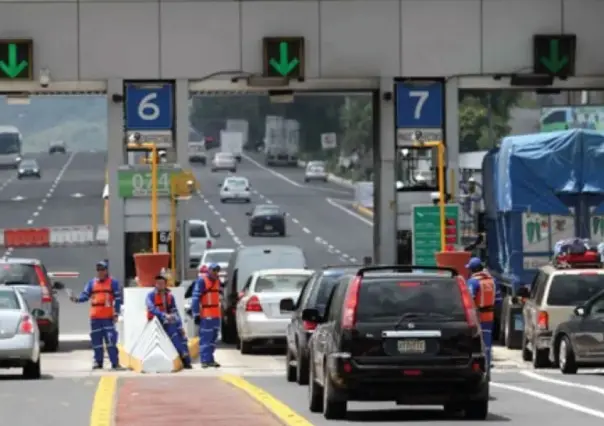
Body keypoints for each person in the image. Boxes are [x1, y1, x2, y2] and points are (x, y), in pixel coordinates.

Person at [70, 260, 122, 370]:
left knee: (111, 340)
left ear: (106, 270)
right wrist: (76, 299)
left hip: (108, 317)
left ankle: (115, 362)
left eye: (102, 269)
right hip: (95, 318)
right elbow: (85, 295)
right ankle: (98, 362)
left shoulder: (113, 283)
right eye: (98, 270)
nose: (100, 272)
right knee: (96, 341)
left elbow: (117, 299)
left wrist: (116, 313)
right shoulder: (91, 283)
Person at [145, 273, 192, 369]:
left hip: (169, 320)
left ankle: (187, 361)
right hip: (158, 320)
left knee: (181, 334)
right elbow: (152, 308)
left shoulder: (169, 296)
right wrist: (164, 315)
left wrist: (180, 326)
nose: (159, 285)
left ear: (165, 284)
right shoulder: (150, 295)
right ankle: (183, 354)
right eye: (157, 283)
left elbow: (175, 311)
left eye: (161, 283)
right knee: (173, 332)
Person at [465, 257, 495, 371]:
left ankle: (480, 362)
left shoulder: (473, 281)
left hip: (478, 316)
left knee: (476, 340)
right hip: (489, 315)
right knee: (487, 340)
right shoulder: (491, 280)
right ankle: (488, 361)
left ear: (473, 270)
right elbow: (497, 300)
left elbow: (470, 298)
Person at [191, 263, 223, 368]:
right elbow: (195, 298)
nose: (215, 273)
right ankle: (204, 360)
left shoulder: (218, 281)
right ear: (209, 271)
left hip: (216, 314)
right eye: (213, 270)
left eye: (217, 271)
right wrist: (196, 314)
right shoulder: (202, 281)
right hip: (206, 314)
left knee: (214, 338)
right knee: (206, 338)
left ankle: (210, 359)